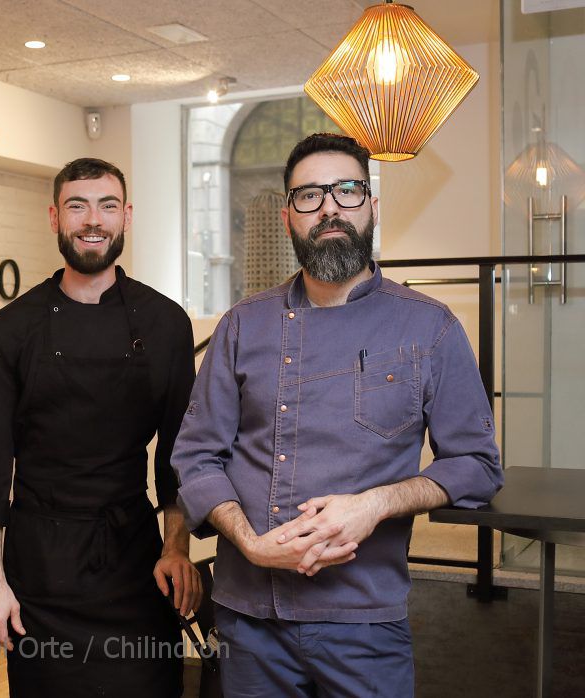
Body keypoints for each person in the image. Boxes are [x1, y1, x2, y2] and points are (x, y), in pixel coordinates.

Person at [171, 133, 503, 698]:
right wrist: (251, 542)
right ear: (288, 217)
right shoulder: (242, 326)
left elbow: (476, 464)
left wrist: (377, 504)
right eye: (309, 196)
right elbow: (197, 457)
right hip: (250, 620)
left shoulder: (429, 327)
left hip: (365, 620)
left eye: (347, 191)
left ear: (373, 205)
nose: (329, 207)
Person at [0, 158, 202, 697]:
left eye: (107, 205)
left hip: (135, 560)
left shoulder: (165, 323)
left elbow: (180, 453)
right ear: (54, 217)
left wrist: (176, 550)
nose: (92, 219)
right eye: (77, 205)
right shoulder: (10, 329)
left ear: (126, 217)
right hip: (39, 567)